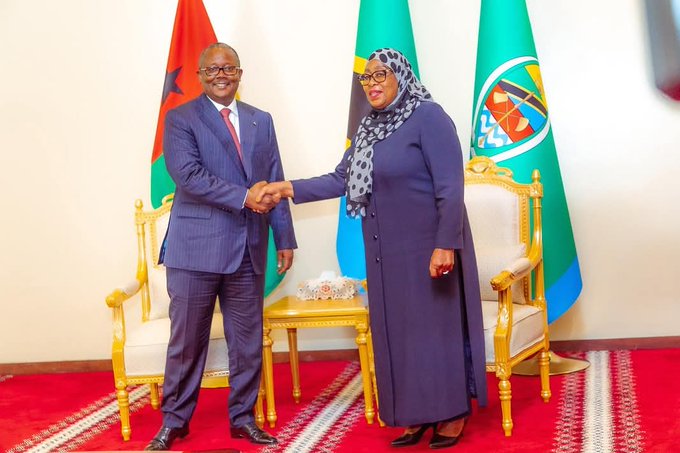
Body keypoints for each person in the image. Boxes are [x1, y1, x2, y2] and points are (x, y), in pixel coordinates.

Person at [258, 48, 487, 449]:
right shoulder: (368, 126)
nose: (372, 83)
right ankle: (415, 415)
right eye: (366, 77)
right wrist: (287, 188)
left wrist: (445, 245)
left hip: (427, 248)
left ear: (401, 75)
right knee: (398, 335)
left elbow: (451, 188)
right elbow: (341, 179)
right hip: (385, 252)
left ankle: (450, 414)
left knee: (434, 331)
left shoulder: (429, 117)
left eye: (381, 75)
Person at [145, 42, 297, 450]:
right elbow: (188, 175)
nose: (221, 75)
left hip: (248, 247)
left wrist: (284, 237)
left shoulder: (261, 120)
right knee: (187, 343)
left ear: (240, 73)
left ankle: (243, 418)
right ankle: (175, 421)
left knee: (247, 343)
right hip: (195, 250)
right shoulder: (180, 119)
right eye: (212, 70)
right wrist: (245, 197)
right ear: (200, 76)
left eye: (228, 68)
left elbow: (275, 178)